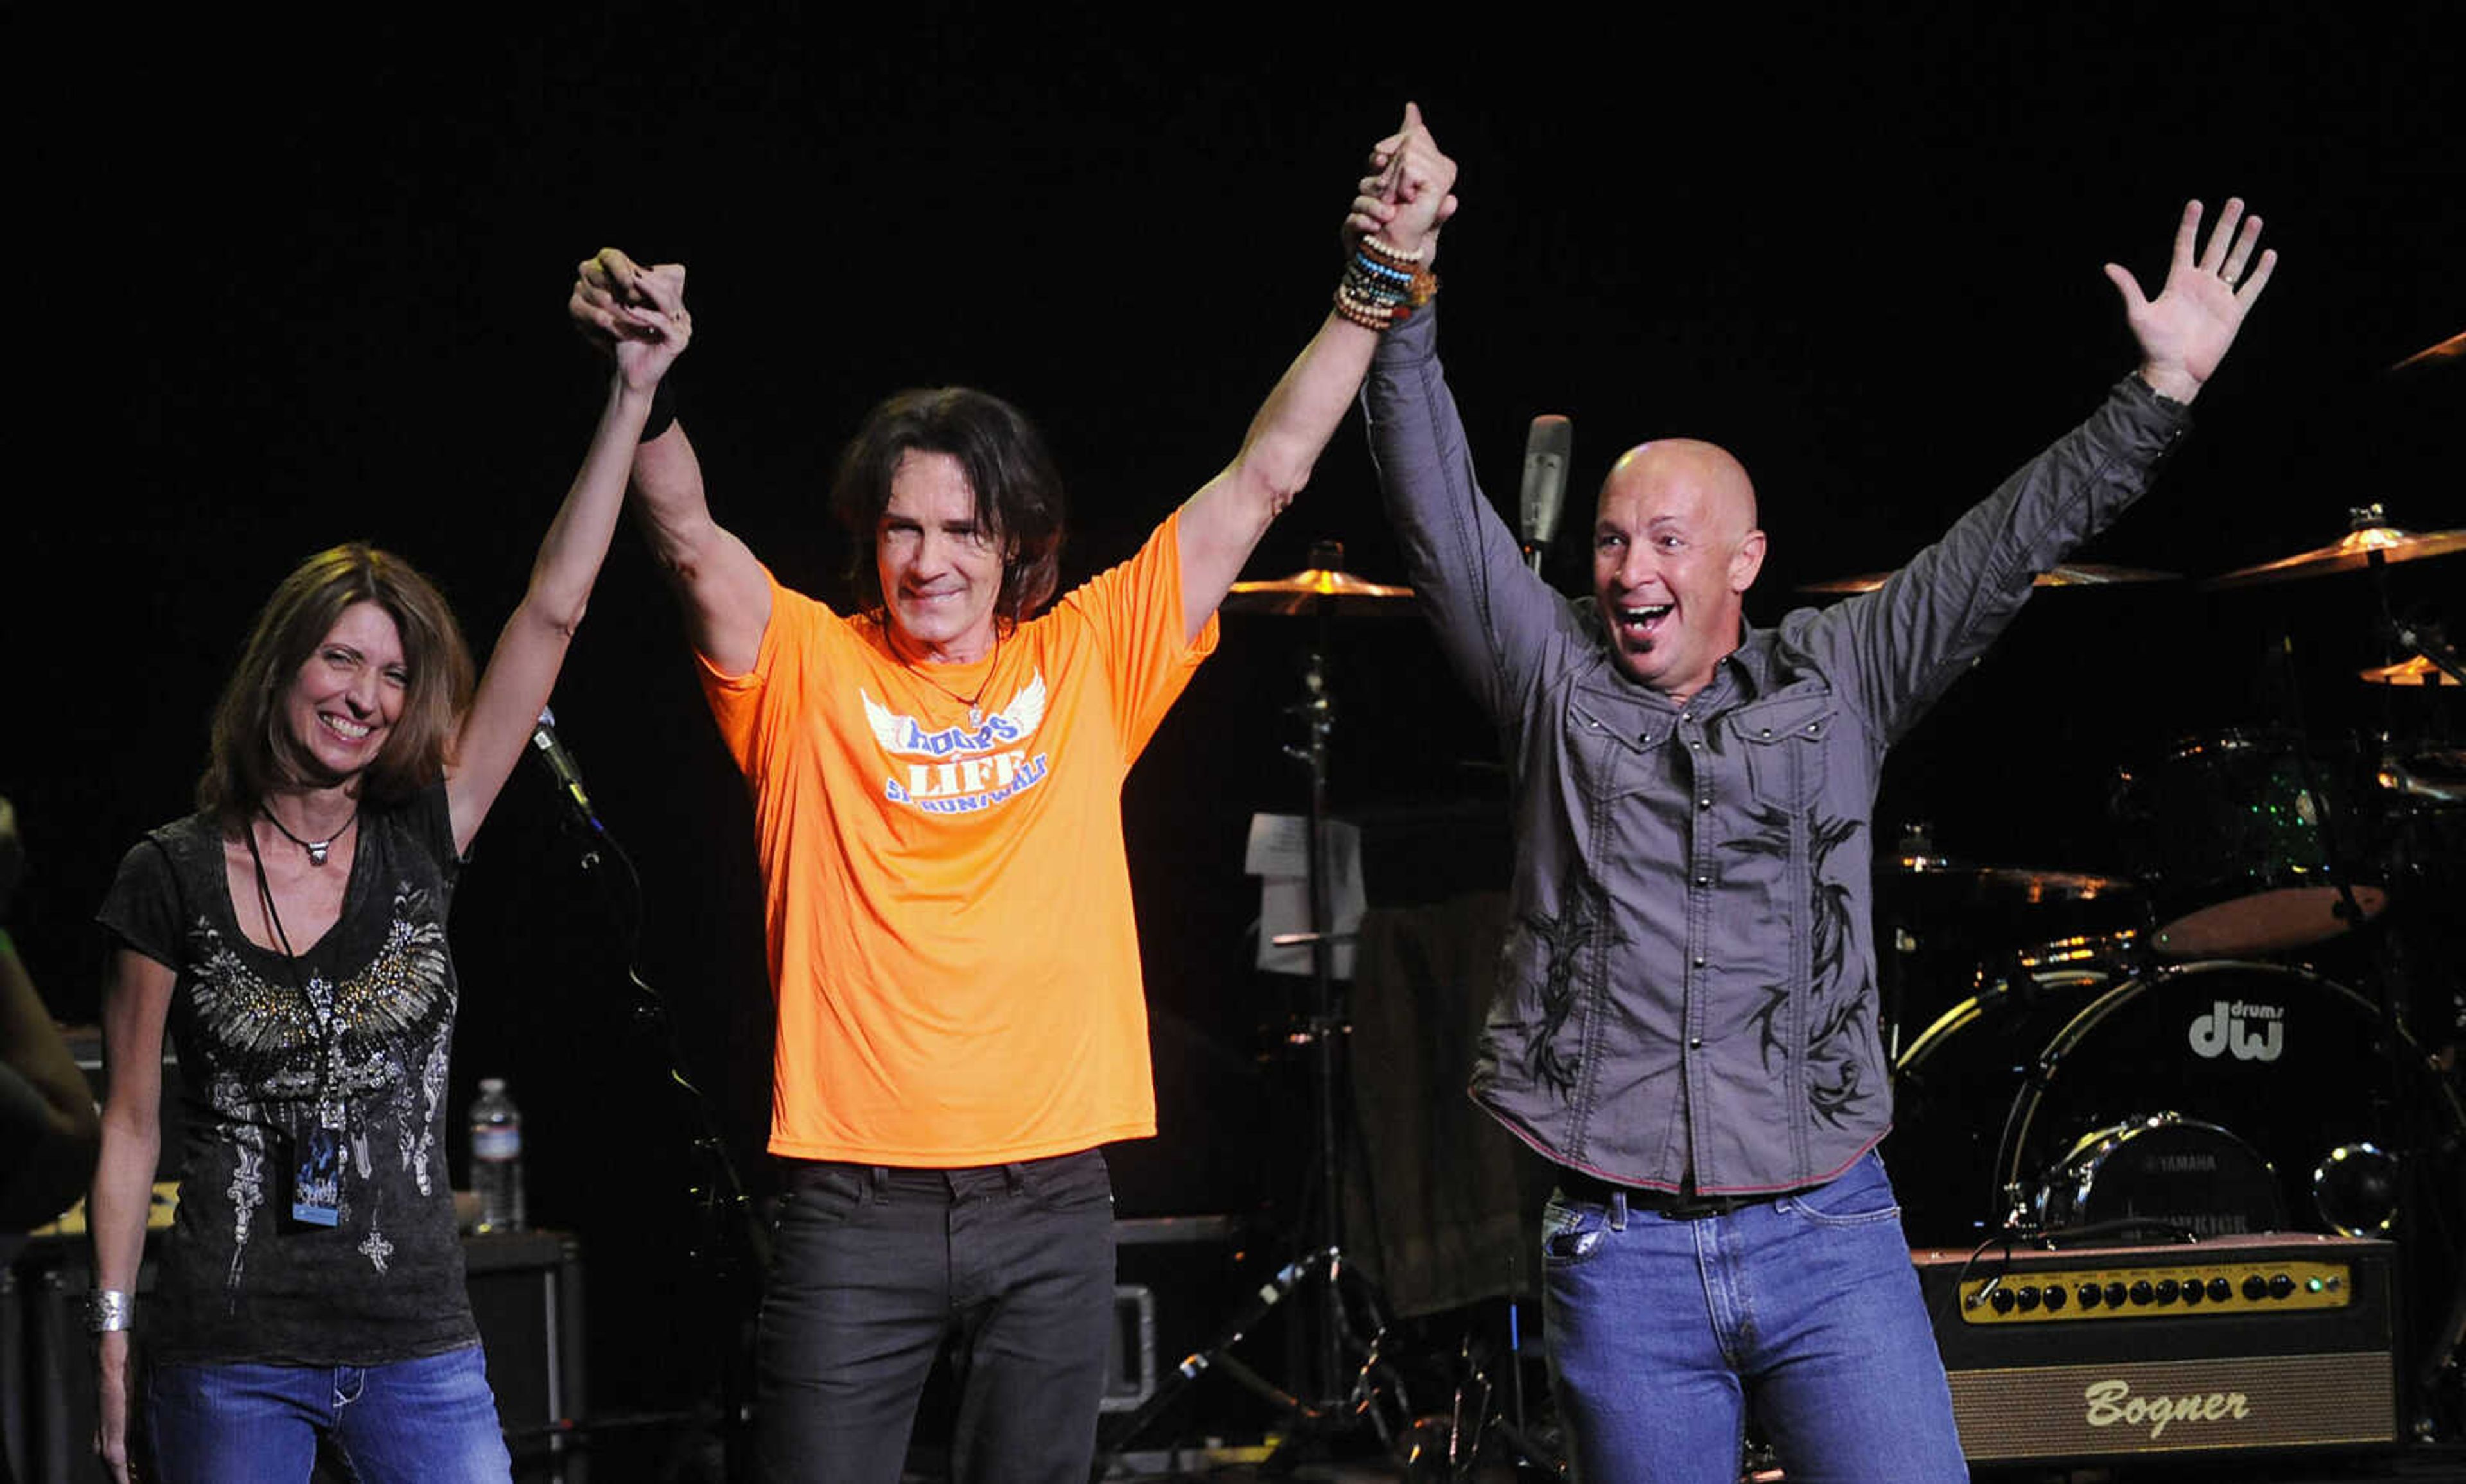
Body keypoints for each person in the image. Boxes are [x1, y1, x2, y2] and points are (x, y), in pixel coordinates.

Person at [1354, 128, 2275, 1481]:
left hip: (1828, 1239)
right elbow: (1437, 505)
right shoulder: (1552, 680)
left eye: (1668, 540)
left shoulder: (1841, 673)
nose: (1628, 568)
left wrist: (2163, 386)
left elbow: (2001, 546)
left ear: (1745, 561)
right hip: (1623, 1256)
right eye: (1612, 538)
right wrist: (1403, 269)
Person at [564, 106, 1457, 1483]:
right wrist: (649, 389)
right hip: (850, 1211)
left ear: (1014, 543)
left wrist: (1376, 277)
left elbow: (1265, 477)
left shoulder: (1090, 658)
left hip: (1051, 1204)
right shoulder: (805, 665)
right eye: (905, 527)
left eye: (964, 529)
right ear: (873, 535)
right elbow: (684, 539)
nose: (931, 560)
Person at [87, 272, 692, 1483]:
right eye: (341, 660)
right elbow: (132, 1126)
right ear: (284, 666)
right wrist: (111, 1337)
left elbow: (553, 612)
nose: (364, 696)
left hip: (417, 1348)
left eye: (395, 676)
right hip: (228, 1351)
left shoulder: (425, 832)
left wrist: (630, 396)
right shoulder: (170, 874)